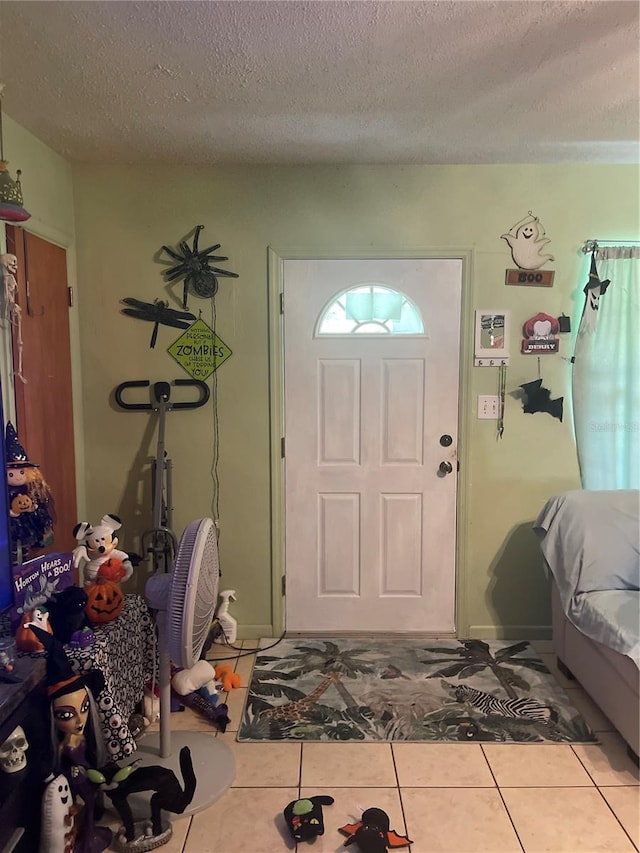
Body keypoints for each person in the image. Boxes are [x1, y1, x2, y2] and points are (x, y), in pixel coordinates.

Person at [29, 625, 112, 853]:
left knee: (91, 806)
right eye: (66, 714)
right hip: (73, 782)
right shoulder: (59, 748)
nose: (79, 721)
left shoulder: (85, 737)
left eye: (84, 708)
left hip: (87, 778)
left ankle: (90, 832)